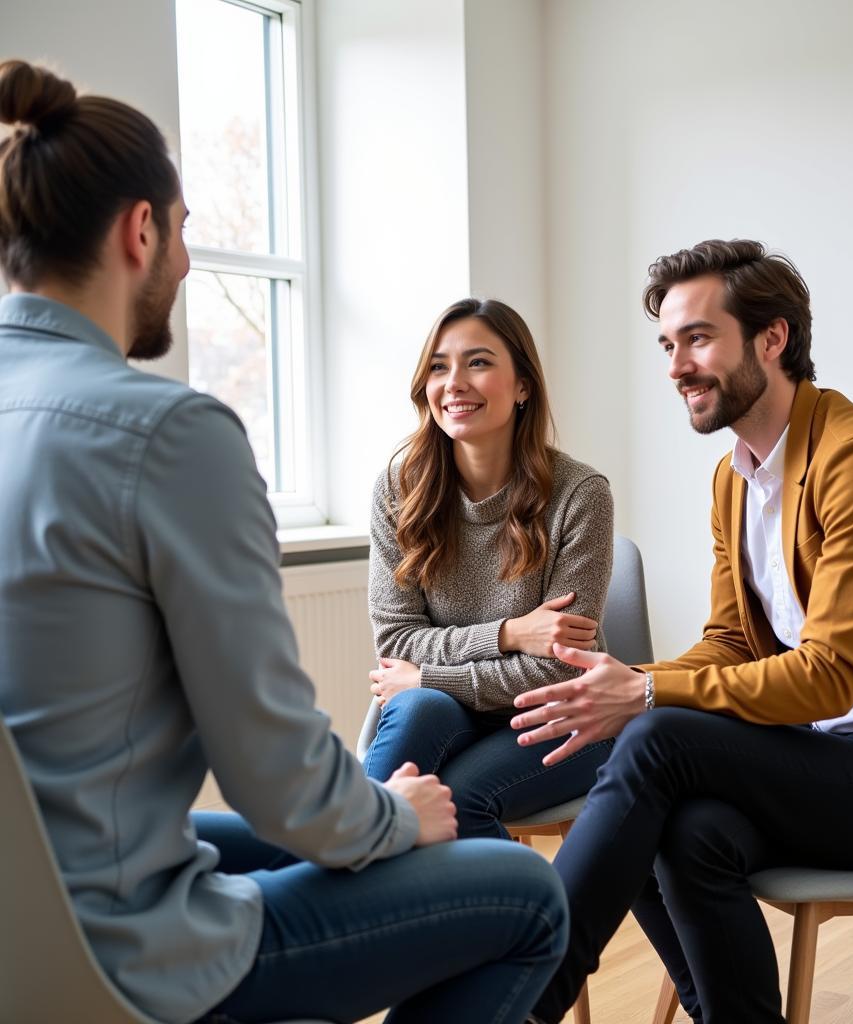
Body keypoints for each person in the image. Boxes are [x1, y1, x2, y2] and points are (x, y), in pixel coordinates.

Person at [0, 59, 567, 1024]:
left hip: (28, 914)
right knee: (527, 895)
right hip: (124, 956)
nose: (183, 265)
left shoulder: (573, 491)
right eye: (182, 235)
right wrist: (398, 816)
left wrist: (397, 771)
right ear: (141, 230)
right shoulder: (169, 435)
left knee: (303, 820)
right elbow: (283, 783)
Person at [509, 239, 853, 1023]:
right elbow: (733, 643)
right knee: (689, 828)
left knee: (652, 739)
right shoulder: (736, 476)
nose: (677, 366)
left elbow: (829, 677)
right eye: (668, 345)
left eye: (700, 339)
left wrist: (645, 694)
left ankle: (515, 1002)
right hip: (834, 758)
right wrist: (625, 682)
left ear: (772, 340)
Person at [362, 297, 616, 839]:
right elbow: (397, 644)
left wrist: (429, 676)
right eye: (438, 366)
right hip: (447, 712)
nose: (453, 382)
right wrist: (511, 633)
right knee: (415, 718)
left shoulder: (580, 495)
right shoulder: (398, 489)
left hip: (557, 717)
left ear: (523, 385)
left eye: (477, 362)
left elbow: (561, 669)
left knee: (452, 798)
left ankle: (504, 919)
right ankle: (355, 866)